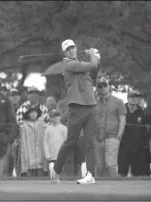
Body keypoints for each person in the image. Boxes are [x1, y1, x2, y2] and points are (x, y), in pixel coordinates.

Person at [51, 39, 99, 184]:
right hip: (76, 107)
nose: (71, 50)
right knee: (71, 141)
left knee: (90, 141)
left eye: (72, 47)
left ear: (76, 48)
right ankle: (56, 170)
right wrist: (92, 54)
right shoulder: (68, 64)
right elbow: (92, 65)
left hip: (91, 105)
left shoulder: (80, 65)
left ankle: (90, 175)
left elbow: (94, 69)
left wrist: (97, 58)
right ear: (64, 53)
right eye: (68, 49)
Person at [94, 77, 126, 177]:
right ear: (97, 88)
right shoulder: (94, 102)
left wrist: (119, 136)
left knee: (110, 164)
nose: (102, 87)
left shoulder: (118, 101)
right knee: (99, 166)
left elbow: (122, 120)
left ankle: (114, 187)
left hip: (112, 136)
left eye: (105, 85)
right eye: (100, 86)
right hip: (97, 137)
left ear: (109, 87)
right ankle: (100, 189)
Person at [15, 86, 49, 176]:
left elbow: (47, 126)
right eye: (30, 93)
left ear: (38, 95)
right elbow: (19, 127)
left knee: (42, 164)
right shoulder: (21, 109)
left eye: (35, 93)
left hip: (41, 140)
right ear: (27, 95)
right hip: (27, 142)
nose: (33, 95)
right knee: (27, 164)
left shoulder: (44, 109)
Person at [117, 90, 151, 177]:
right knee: (122, 173)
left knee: (137, 174)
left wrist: (144, 144)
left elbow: (145, 130)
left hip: (138, 148)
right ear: (128, 98)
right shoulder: (121, 110)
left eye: (136, 97)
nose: (134, 99)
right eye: (132, 96)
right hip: (123, 147)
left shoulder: (142, 113)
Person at [20, 105, 45, 176]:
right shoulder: (24, 126)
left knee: (41, 171)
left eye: (35, 112)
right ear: (28, 114)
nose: (33, 114)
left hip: (40, 153)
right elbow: (23, 142)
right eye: (31, 113)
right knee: (29, 172)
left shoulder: (42, 125)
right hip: (29, 154)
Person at [43, 110, 67, 180]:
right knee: (52, 169)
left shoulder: (64, 128)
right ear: (50, 118)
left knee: (61, 171)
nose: (56, 118)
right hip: (51, 155)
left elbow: (66, 142)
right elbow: (45, 142)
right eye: (54, 117)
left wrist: (65, 153)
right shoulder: (47, 129)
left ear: (60, 117)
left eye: (57, 116)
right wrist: (47, 154)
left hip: (61, 154)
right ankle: (53, 182)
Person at [4, 89, 21, 177]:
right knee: (8, 161)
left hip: (19, 138)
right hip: (7, 138)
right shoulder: (5, 108)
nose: (15, 96)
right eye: (12, 95)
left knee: (18, 162)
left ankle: (19, 178)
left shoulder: (22, 108)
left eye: (17, 94)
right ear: (8, 97)